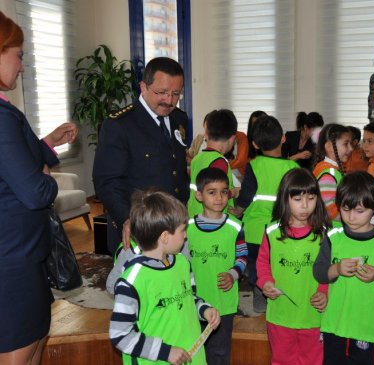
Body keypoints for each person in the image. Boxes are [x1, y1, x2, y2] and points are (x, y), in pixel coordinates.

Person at [0, 11, 79, 365]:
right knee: (20, 348)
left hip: (21, 254)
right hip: (13, 259)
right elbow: (33, 191)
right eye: (17, 54)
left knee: (36, 337)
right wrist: (45, 178)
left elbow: (12, 164)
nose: (21, 65)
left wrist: (47, 144)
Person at [109, 189, 221, 365]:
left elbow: (187, 297)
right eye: (183, 230)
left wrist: (204, 309)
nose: (186, 235)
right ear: (165, 237)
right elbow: (120, 335)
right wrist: (165, 352)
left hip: (192, 356)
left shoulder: (182, 262)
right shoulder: (131, 281)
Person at [93, 57, 189, 254]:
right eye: (162, 92)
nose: (169, 100)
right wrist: (126, 219)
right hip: (139, 228)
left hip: (174, 225)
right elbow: (106, 181)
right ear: (143, 87)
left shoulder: (179, 117)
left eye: (176, 94)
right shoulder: (119, 125)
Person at [313, 171, 374, 365]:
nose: (351, 217)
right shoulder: (333, 237)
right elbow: (319, 272)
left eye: (360, 211)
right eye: (346, 210)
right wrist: (336, 269)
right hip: (336, 323)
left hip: (369, 326)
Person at [257, 168, 330, 365]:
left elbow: (331, 269)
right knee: (281, 360)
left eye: (311, 198)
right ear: (285, 199)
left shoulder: (325, 234)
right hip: (280, 316)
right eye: (298, 199)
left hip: (313, 317)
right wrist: (266, 283)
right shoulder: (272, 231)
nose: (305, 206)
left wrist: (324, 292)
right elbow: (263, 262)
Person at [233, 115, 298, 313]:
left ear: (254, 143)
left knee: (255, 269)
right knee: (277, 269)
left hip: (253, 233)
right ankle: (277, 305)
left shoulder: (254, 166)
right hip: (281, 234)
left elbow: (246, 196)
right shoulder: (293, 168)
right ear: (283, 138)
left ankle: (259, 300)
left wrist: (236, 212)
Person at [186, 167, 247, 364]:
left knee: (219, 353)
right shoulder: (187, 228)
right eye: (212, 192)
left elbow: (242, 257)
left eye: (224, 192)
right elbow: (181, 263)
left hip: (223, 304)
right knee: (194, 351)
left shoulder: (236, 226)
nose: (220, 198)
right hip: (192, 303)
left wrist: (233, 274)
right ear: (199, 195)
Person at [187, 109, 238, 218]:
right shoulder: (220, 161)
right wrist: (234, 192)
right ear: (232, 138)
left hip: (194, 217)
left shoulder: (196, 158)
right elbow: (216, 194)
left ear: (206, 134)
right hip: (213, 221)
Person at [312, 124, 353, 222]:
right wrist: (351, 219)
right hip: (333, 230)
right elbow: (328, 210)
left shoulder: (332, 170)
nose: (351, 148)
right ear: (329, 147)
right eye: (346, 144)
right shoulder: (329, 175)